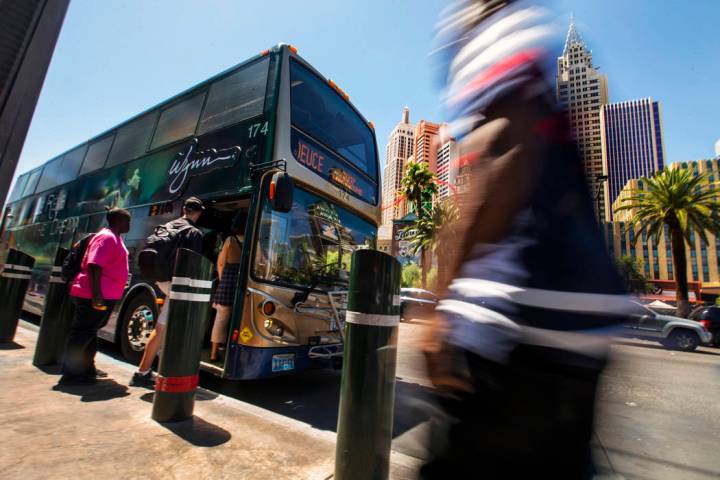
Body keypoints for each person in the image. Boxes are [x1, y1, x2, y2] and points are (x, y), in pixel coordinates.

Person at [421, 1, 630, 478]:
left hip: (514, 321)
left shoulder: (495, 31)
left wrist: (443, 303)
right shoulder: (535, 33)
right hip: (583, 329)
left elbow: (505, 146)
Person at [129, 196, 204, 387]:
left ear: (184, 210)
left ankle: (146, 370)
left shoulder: (168, 225)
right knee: (169, 328)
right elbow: (192, 263)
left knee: (163, 326)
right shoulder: (193, 232)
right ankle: (150, 372)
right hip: (178, 284)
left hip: (162, 279)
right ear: (199, 213)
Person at [59, 208, 131, 385]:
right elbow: (94, 265)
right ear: (118, 221)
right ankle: (70, 374)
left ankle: (86, 369)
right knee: (82, 334)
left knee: (90, 332)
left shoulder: (113, 237)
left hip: (103, 294)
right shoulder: (106, 237)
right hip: (94, 294)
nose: (129, 225)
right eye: (127, 221)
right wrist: (97, 295)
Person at [210, 212, 246, 362]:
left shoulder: (230, 240)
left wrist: (223, 278)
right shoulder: (252, 242)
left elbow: (220, 262)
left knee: (221, 318)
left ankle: (213, 353)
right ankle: (229, 349)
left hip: (228, 281)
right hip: (243, 281)